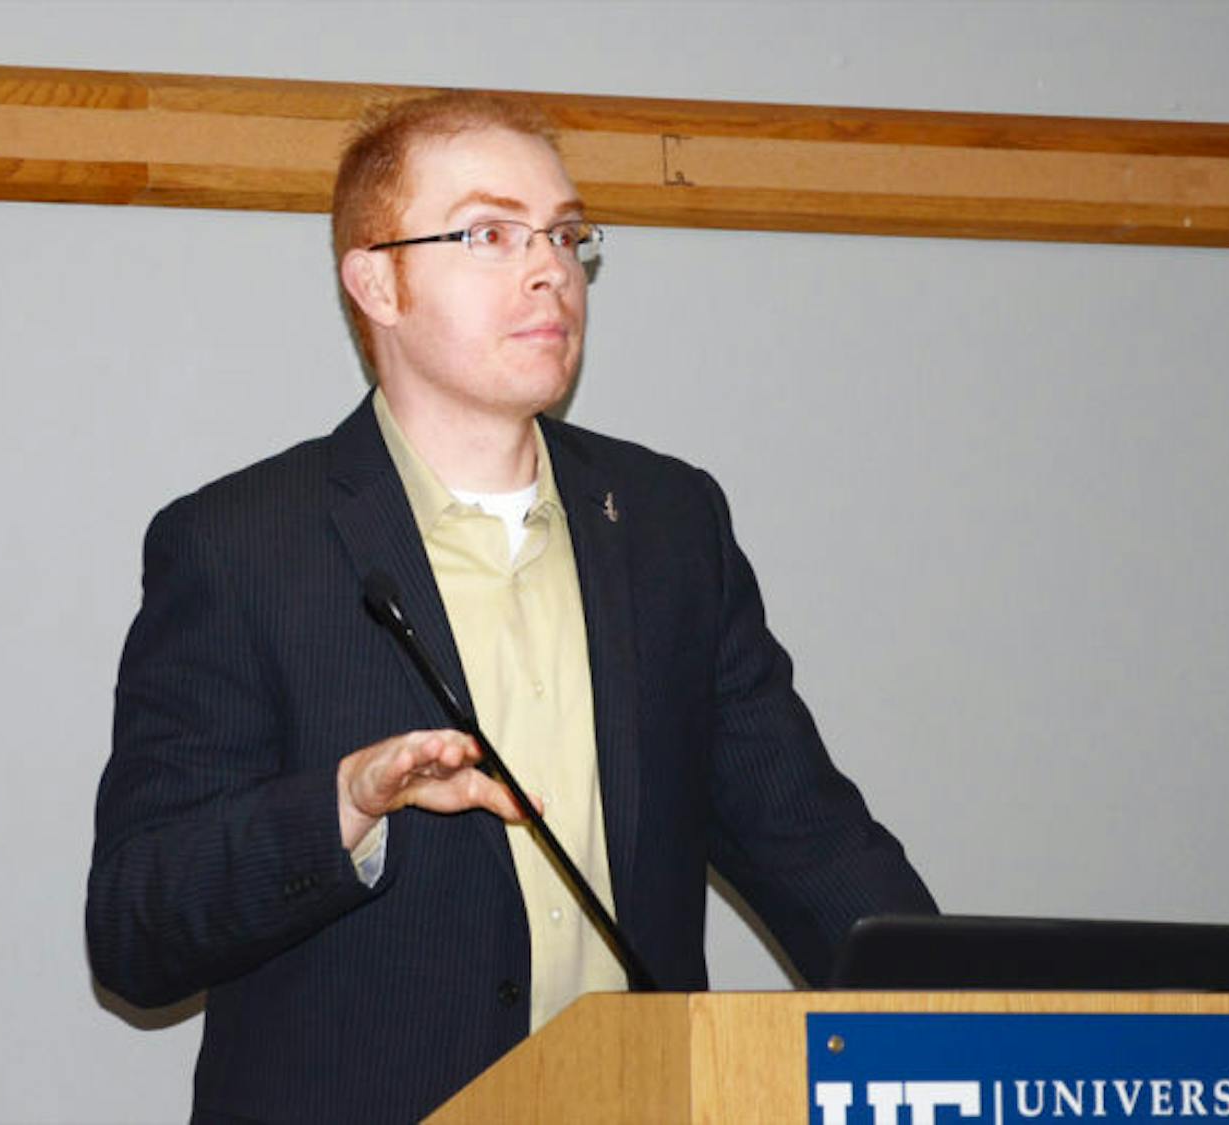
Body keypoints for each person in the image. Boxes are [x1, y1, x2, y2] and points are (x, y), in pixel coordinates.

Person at [86, 91, 936, 1124]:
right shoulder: (240, 546)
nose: (551, 270)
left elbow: (809, 841)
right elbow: (136, 929)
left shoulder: (670, 524)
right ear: (376, 282)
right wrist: (342, 807)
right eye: (491, 234)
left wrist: (981, 1032)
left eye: (567, 235)